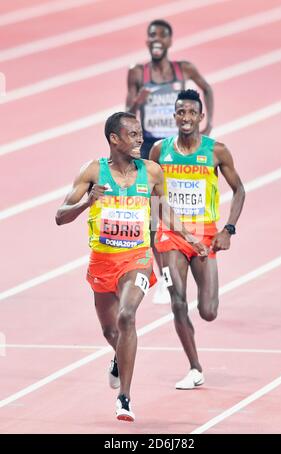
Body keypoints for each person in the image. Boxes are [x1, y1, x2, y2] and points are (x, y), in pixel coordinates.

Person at [55, 112, 208, 421]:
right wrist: (87, 202)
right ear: (114, 139)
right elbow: (59, 215)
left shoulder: (151, 172)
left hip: (136, 259)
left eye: (140, 133)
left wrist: (191, 238)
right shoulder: (92, 172)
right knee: (110, 329)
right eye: (133, 134)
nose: (141, 138)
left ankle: (124, 397)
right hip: (102, 260)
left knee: (127, 316)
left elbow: (164, 211)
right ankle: (117, 357)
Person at [149, 89, 245, 389]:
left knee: (208, 312)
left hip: (205, 234)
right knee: (178, 302)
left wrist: (227, 229)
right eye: (181, 112)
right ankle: (195, 367)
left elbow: (239, 189)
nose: (186, 118)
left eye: (192, 113)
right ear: (174, 116)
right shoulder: (159, 151)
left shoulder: (216, 151)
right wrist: (154, 243)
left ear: (201, 117)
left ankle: (196, 354)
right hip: (171, 234)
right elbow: (154, 200)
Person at [126, 19, 214, 303]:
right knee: (153, 210)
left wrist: (209, 124)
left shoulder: (183, 69)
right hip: (152, 146)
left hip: (180, 143)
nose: (156, 40)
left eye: (162, 36)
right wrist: (138, 102)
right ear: (147, 40)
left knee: (172, 202)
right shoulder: (138, 72)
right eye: (152, 36)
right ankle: (165, 277)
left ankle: (180, 261)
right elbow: (127, 111)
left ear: (170, 41)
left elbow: (206, 89)